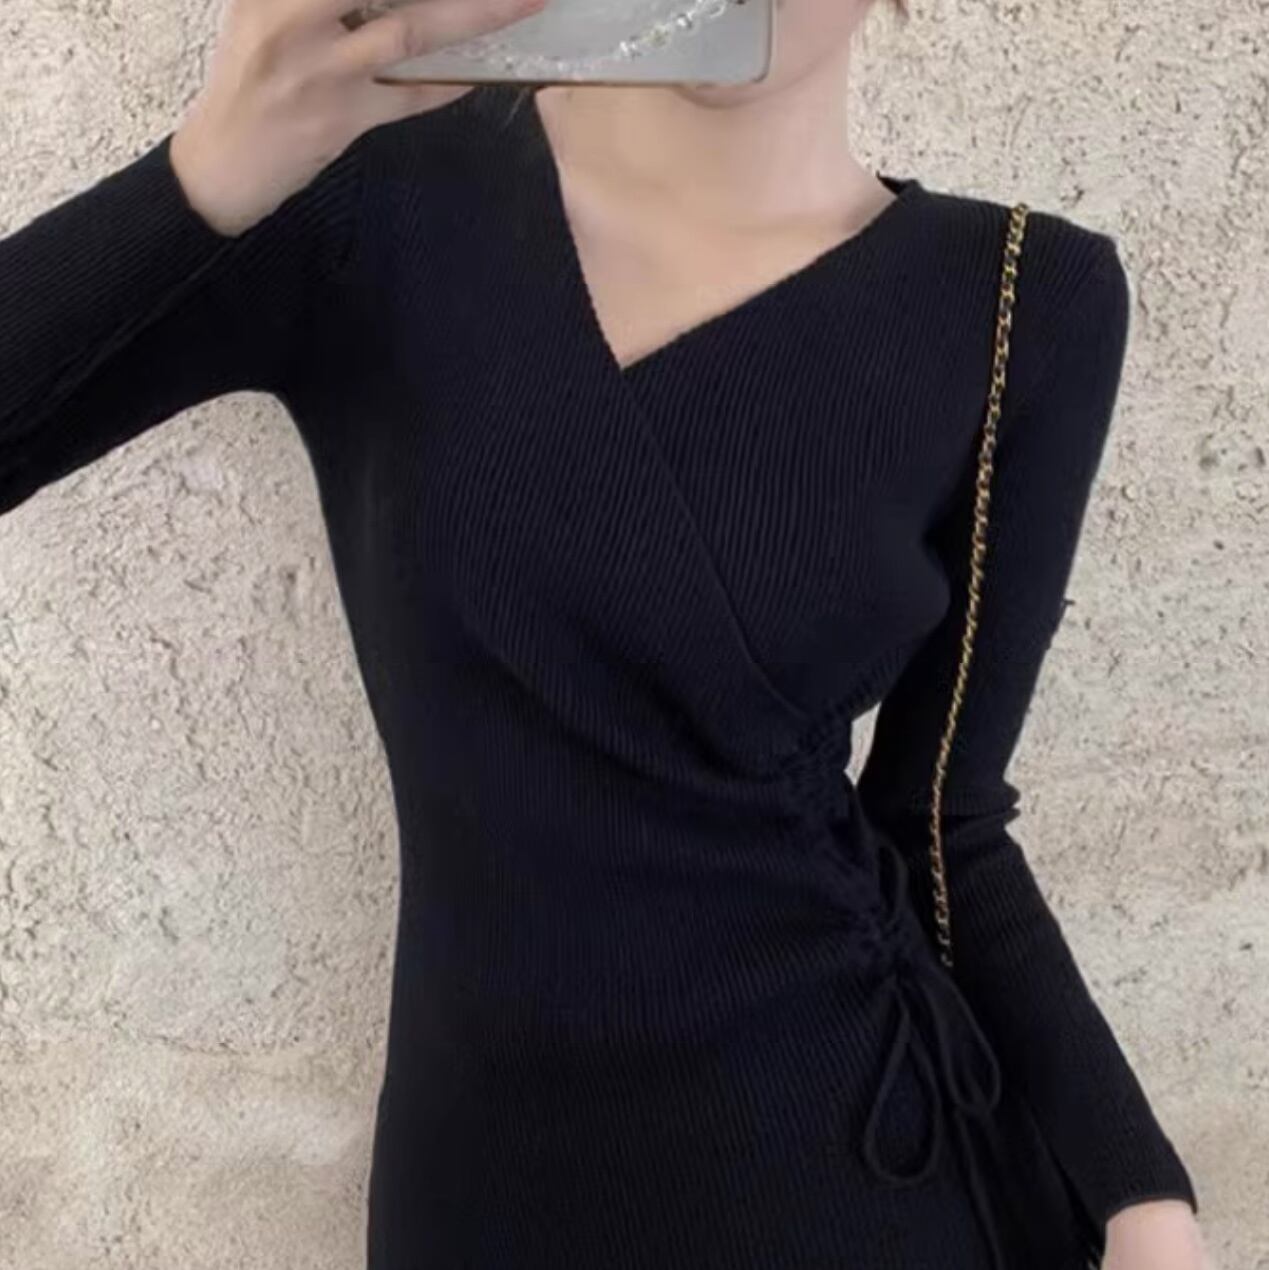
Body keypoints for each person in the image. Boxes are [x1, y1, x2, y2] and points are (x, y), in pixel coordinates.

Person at [0, 0, 1213, 1267]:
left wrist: (1142, 1197)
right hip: (490, 1189)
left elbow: (942, 822)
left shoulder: (1022, 298)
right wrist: (210, 169)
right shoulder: (374, 190)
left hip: (862, 1169)